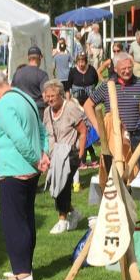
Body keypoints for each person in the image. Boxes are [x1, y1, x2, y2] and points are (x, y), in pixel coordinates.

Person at [0, 67, 49, 280]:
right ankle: (23, 267)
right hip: (30, 169)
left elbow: (19, 138)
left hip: (14, 169)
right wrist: (43, 153)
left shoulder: (5, 103)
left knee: (13, 222)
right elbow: (42, 130)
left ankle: (22, 273)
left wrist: (36, 158)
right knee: (26, 218)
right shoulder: (25, 97)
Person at [83, 53, 140, 228]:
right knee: (115, 183)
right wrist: (98, 128)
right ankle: (117, 225)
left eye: (129, 68)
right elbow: (88, 105)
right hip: (115, 141)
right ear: (116, 69)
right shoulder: (107, 86)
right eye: (123, 69)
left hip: (138, 138)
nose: (127, 71)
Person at [42, 79, 86, 234]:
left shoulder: (71, 108)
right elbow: (46, 133)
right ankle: (74, 213)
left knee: (63, 185)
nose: (50, 99)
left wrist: (80, 154)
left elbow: (83, 130)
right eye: (47, 96)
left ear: (60, 95)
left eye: (52, 95)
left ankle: (62, 219)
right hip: (55, 154)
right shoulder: (47, 112)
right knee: (56, 185)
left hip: (71, 153)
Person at [66, 51, 99, 170]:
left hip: (89, 106)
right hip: (77, 107)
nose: (81, 63)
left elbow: (95, 81)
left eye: (83, 61)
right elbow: (67, 88)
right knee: (81, 132)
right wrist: (68, 104)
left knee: (89, 132)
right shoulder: (73, 72)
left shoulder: (91, 70)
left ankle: (86, 159)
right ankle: (87, 159)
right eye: (79, 61)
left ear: (86, 61)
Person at [11, 46, 49, 115]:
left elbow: (11, 93)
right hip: (37, 110)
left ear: (28, 58)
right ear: (40, 58)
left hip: (20, 109)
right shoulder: (43, 75)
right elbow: (46, 97)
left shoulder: (17, 73)